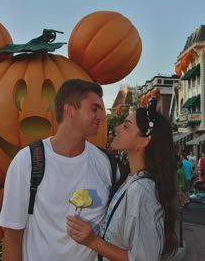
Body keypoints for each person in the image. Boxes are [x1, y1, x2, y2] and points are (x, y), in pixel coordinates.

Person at [0, 79, 117, 261]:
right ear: (69, 110)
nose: (101, 116)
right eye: (94, 109)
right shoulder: (28, 161)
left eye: (101, 109)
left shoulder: (107, 164)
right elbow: (13, 235)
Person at [67, 98, 178, 261]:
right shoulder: (130, 179)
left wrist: (92, 241)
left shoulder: (142, 191)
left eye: (126, 126)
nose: (116, 128)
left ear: (143, 142)